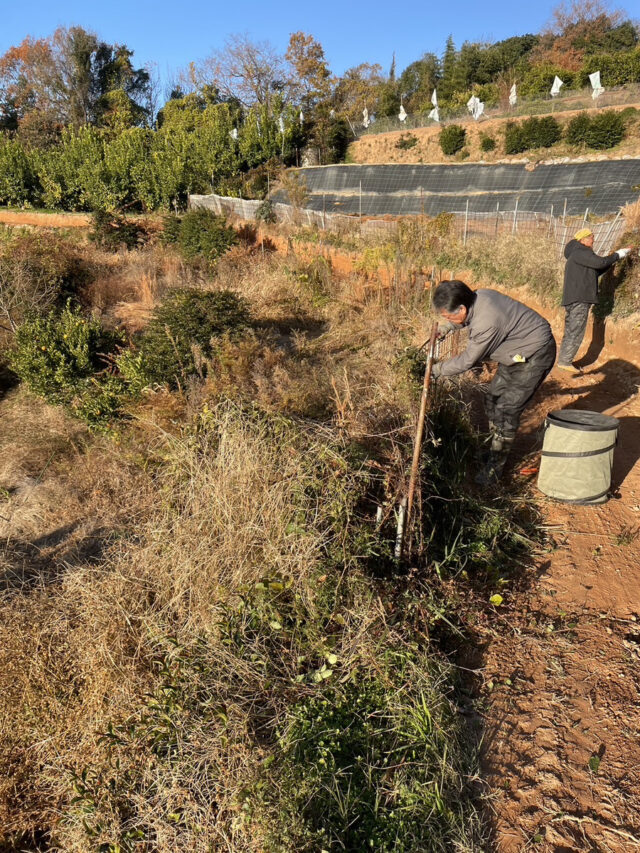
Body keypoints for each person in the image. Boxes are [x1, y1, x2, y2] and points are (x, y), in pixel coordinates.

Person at [431, 280, 556, 485]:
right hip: (515, 352)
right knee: (493, 399)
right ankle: (493, 448)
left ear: (461, 308)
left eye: (447, 315)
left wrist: (436, 370)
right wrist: (447, 327)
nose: (447, 318)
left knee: (507, 409)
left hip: (535, 353)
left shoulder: (487, 321)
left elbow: (467, 361)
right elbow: (461, 319)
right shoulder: (477, 297)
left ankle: (495, 468)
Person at [557, 228, 631, 375]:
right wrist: (619, 254)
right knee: (576, 330)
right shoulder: (581, 252)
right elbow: (599, 263)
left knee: (571, 329)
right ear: (583, 239)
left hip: (574, 298)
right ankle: (565, 362)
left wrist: (612, 261)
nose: (593, 241)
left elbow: (596, 269)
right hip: (580, 298)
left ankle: (563, 360)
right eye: (591, 238)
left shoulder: (577, 254)